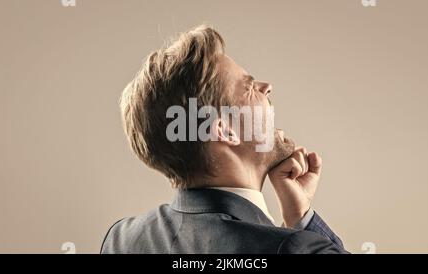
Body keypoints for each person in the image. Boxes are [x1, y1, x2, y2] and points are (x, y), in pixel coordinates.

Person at [101, 25, 347, 254]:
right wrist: (301, 219)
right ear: (226, 130)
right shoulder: (292, 247)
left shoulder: (122, 239)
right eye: (249, 87)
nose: (267, 87)